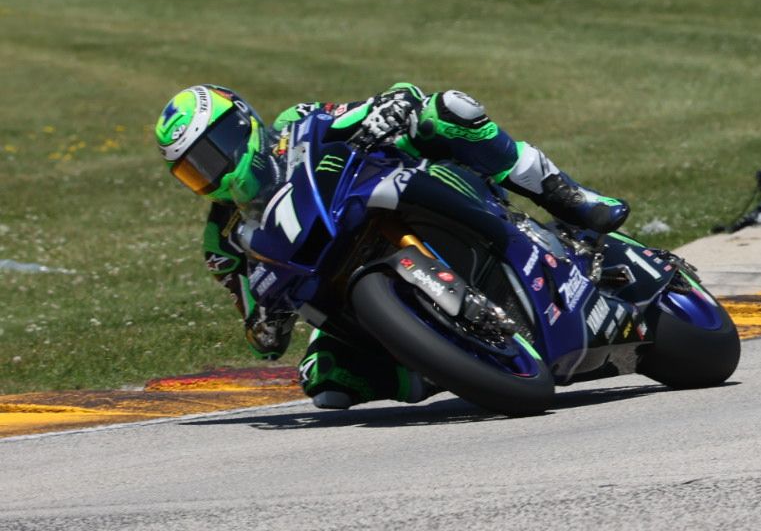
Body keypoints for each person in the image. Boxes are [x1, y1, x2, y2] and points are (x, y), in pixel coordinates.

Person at [153, 83, 629, 409]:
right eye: (192, 171)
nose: (209, 176)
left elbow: (371, 106)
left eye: (209, 157)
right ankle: (444, 366)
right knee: (324, 381)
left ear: (240, 128)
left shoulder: (296, 125)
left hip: (389, 199)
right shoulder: (223, 237)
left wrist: (391, 107)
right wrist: (266, 321)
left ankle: (567, 194)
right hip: (336, 286)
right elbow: (258, 332)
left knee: (449, 110)